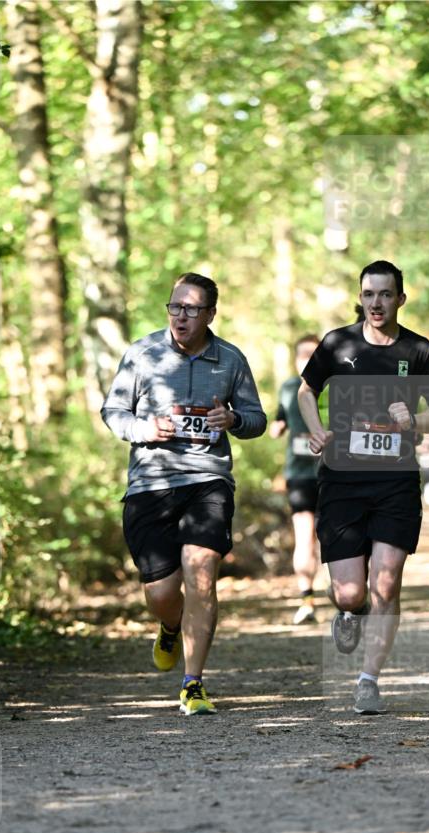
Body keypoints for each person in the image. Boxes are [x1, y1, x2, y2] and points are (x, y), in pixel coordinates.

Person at [101, 272, 267, 716]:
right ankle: (170, 626)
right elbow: (113, 410)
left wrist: (233, 420)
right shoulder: (142, 353)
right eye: (175, 306)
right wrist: (142, 428)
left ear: (211, 313)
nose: (181, 316)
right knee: (160, 593)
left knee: (202, 574)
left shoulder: (229, 359)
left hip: (208, 480)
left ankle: (193, 684)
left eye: (192, 309)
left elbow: (257, 419)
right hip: (150, 482)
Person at [298, 260, 429, 714]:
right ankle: (348, 611)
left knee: (387, 583)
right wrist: (317, 429)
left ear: (400, 299)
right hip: (343, 481)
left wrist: (416, 420)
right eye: (369, 294)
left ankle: (369, 680)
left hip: (395, 481)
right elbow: (307, 391)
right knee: (351, 592)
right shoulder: (337, 343)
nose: (377, 303)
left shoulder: (418, 350)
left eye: (385, 294)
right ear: (360, 298)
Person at [270, 335, 322, 625]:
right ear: (295, 359)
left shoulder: (333, 386)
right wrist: (275, 429)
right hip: (300, 475)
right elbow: (280, 421)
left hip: (334, 473)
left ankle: (347, 596)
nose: (307, 360)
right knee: (304, 536)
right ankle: (307, 600)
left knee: (335, 538)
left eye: (313, 354)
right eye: (302, 355)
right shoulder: (289, 388)